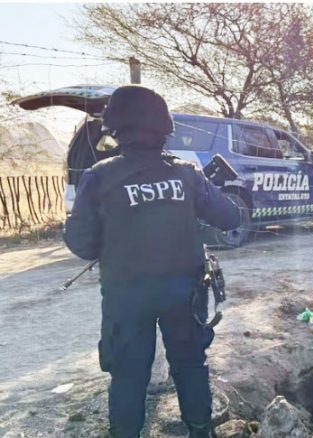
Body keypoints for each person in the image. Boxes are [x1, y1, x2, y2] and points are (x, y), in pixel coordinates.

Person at [64, 85, 241, 438]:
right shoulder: (187, 174)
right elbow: (230, 217)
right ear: (165, 128)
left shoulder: (99, 176)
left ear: (114, 129)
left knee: (128, 373)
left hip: (126, 295)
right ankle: (200, 431)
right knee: (190, 365)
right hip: (185, 293)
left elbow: (82, 244)